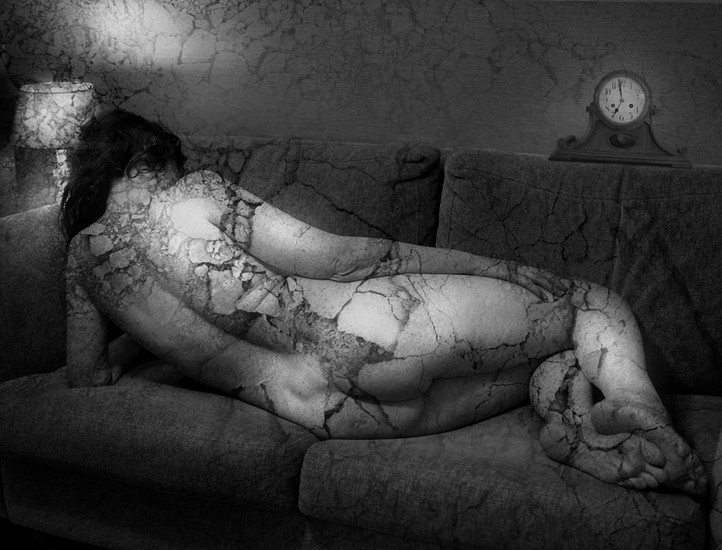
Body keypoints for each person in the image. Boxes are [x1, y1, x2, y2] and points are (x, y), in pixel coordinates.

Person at [61, 110, 706, 496]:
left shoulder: (83, 262)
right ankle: (648, 418)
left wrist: (143, 337)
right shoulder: (193, 194)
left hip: (334, 415)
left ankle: (577, 431)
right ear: (148, 158)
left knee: (554, 353)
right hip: (377, 334)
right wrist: (497, 267)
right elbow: (339, 259)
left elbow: (88, 376)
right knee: (590, 301)